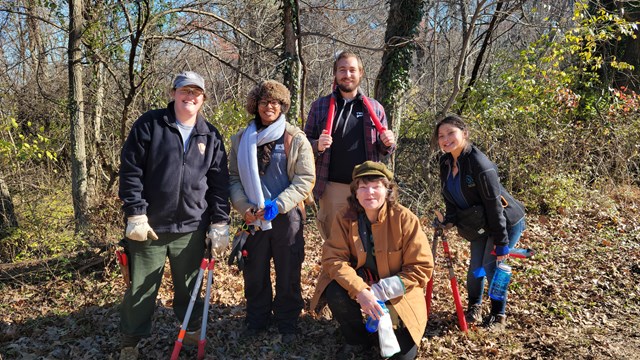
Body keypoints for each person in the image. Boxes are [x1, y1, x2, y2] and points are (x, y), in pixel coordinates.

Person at [118, 71, 231, 360]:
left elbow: (218, 185)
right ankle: (130, 341)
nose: (189, 96)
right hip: (150, 227)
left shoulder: (211, 135)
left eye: (196, 92)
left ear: (203, 98)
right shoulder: (150, 125)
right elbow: (131, 172)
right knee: (141, 290)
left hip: (192, 228)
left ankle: (192, 331)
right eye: (184, 91)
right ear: (173, 93)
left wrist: (219, 222)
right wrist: (135, 213)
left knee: (190, 288)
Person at [310, 161, 433, 360]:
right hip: (362, 281)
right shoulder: (344, 217)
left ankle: (385, 329)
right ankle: (357, 340)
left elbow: (421, 267)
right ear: (355, 192)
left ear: (387, 190)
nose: (370, 193)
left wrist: (383, 290)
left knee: (401, 355)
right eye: (363, 187)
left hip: (400, 292)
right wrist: (360, 290)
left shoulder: (406, 219)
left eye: (376, 187)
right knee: (335, 290)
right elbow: (334, 259)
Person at [228, 80, 315, 343]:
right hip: (252, 218)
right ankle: (257, 320)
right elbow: (232, 178)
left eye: (276, 102)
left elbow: (305, 178)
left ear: (283, 106)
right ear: (255, 106)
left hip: (286, 217)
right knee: (254, 271)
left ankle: (287, 321)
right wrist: (245, 208)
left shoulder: (295, 138)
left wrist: (279, 204)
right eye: (265, 102)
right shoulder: (241, 139)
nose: (270, 107)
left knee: (288, 270)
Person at [433, 114, 526, 331]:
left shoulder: (480, 164)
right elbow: (449, 196)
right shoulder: (446, 162)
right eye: (441, 136)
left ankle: (498, 315)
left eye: (451, 133)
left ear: (464, 133)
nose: (446, 139)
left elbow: (494, 206)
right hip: (479, 224)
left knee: (491, 268)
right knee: (476, 269)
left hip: (503, 221)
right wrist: (449, 220)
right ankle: (474, 307)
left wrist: (502, 243)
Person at [304, 51, 396, 241]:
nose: (347, 75)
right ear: (335, 74)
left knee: (368, 242)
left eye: (352, 70)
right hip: (332, 188)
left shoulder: (375, 107)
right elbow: (304, 144)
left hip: (367, 187)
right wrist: (316, 145)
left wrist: (387, 143)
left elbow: (383, 149)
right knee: (334, 244)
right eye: (342, 70)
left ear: (360, 73)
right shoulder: (319, 106)